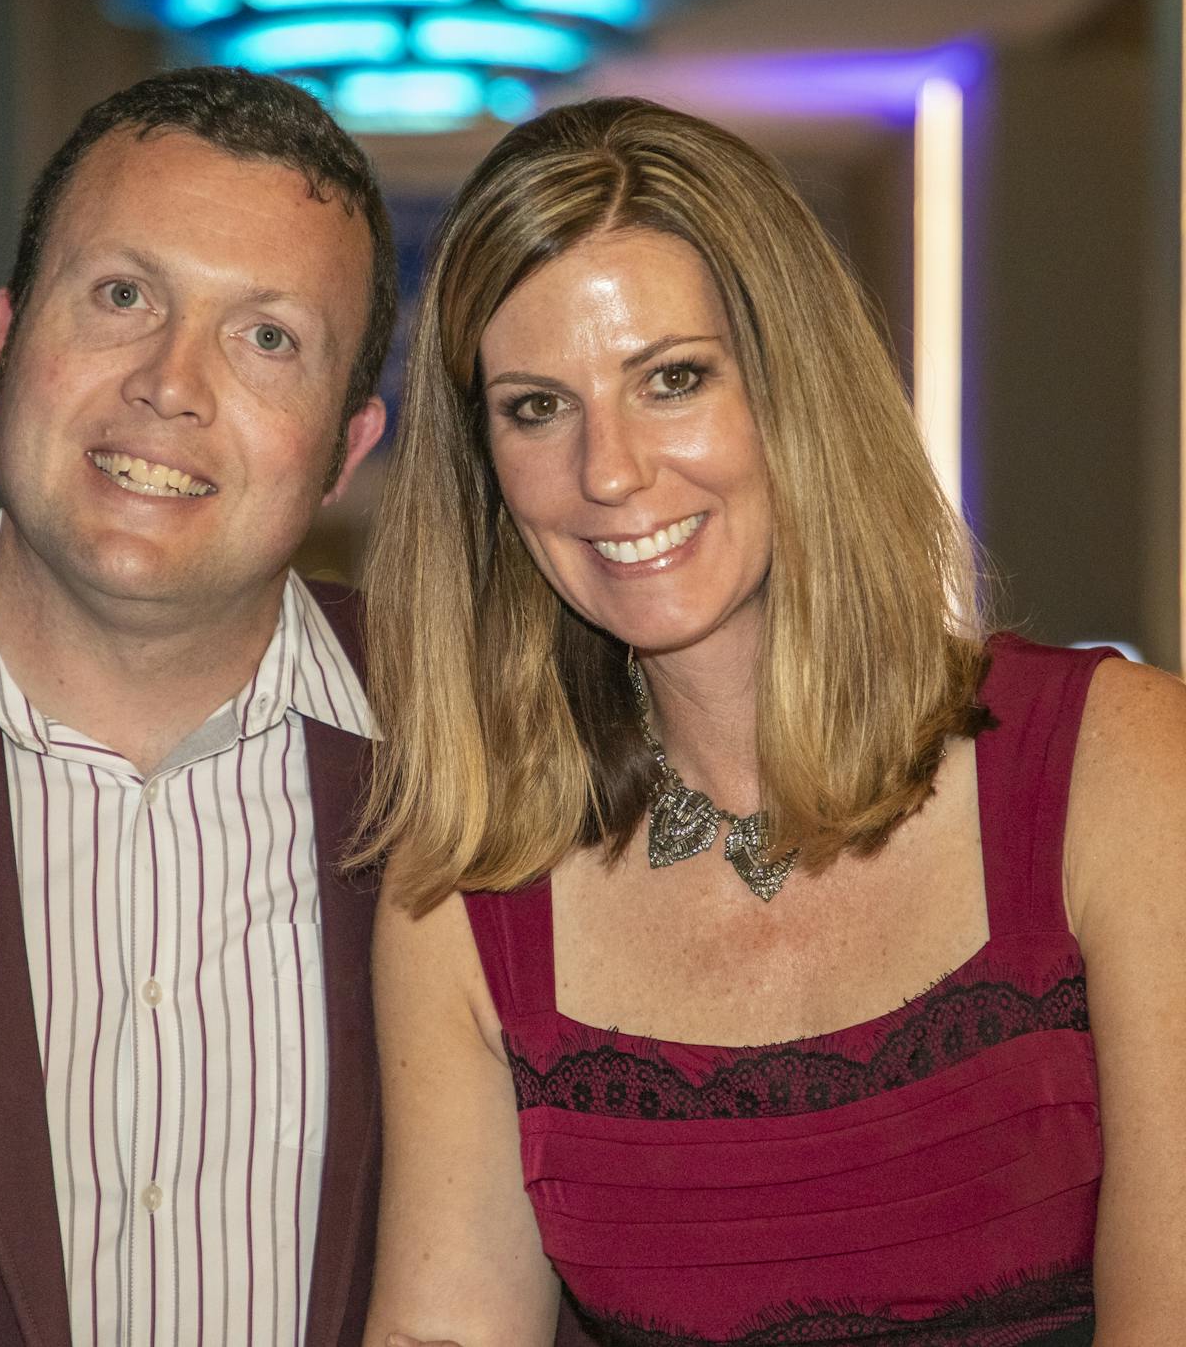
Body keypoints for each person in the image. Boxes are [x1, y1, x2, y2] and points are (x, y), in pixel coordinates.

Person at [358, 97, 1186, 1347]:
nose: (610, 471)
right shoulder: (466, 895)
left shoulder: (1121, 769)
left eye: (671, 379)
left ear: (791, 382)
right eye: (536, 406)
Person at [0, 66, 395, 1347]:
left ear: (344, 449)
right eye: (122, 295)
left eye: (267, 335)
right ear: (2, 346)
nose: (171, 381)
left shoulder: (512, 757)